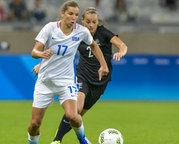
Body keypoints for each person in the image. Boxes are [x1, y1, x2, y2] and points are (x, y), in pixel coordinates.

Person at [27, 1, 109, 144]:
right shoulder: (50, 28)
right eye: (70, 13)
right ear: (63, 14)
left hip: (66, 81)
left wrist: (103, 65)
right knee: (34, 124)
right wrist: (41, 55)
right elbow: (34, 51)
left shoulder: (81, 31)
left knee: (72, 115)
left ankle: (82, 138)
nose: (73, 17)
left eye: (76, 15)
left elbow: (94, 45)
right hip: (45, 82)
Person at [48, 6, 128, 144]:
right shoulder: (77, 32)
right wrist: (42, 63)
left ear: (98, 22)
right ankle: (57, 140)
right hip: (82, 76)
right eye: (88, 22)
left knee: (76, 118)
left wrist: (121, 52)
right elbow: (59, 47)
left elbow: (122, 45)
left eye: (94, 22)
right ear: (82, 21)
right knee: (75, 109)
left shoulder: (104, 33)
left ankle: (81, 138)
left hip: (100, 82)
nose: (91, 25)